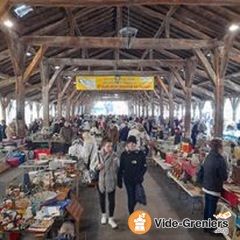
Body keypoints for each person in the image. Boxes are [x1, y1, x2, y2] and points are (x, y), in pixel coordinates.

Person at [90, 137, 119, 229]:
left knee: (112, 200)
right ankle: (103, 215)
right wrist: (97, 167)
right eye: (108, 146)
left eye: (111, 146)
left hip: (111, 180)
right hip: (101, 181)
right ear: (103, 146)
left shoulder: (114, 155)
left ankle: (111, 218)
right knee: (101, 198)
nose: (110, 148)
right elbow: (91, 166)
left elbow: (118, 167)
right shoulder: (97, 155)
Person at [202, 139, 228, 233]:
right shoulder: (220, 160)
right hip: (214, 187)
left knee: (207, 206)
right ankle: (210, 228)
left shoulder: (208, 156)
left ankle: (205, 226)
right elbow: (224, 176)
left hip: (206, 185)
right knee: (211, 208)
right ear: (219, 148)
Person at [118, 136, 147, 215]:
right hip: (128, 180)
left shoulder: (141, 154)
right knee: (131, 197)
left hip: (137, 180)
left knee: (136, 198)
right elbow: (121, 168)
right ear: (127, 144)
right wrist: (119, 180)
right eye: (130, 143)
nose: (132, 145)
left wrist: (141, 175)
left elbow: (144, 167)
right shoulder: (124, 155)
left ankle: (132, 210)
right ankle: (131, 215)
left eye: (134, 143)